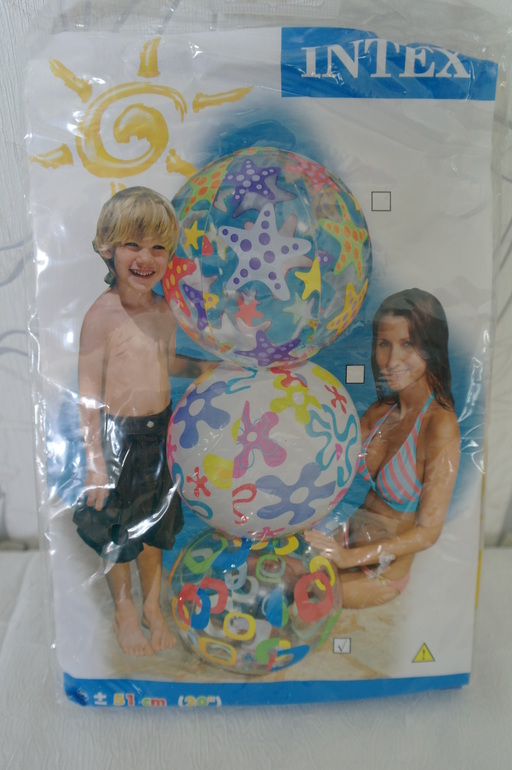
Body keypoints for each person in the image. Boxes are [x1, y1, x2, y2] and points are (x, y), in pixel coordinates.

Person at [73, 186, 213, 656]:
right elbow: (88, 393)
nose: (145, 258)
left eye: (158, 247)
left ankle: (152, 605)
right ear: (106, 247)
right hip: (119, 439)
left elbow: (167, 363)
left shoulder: (162, 308)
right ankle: (125, 608)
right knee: (119, 535)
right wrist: (96, 462)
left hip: (161, 433)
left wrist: (204, 368)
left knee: (154, 530)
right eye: (132, 244)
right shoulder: (101, 316)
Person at [305, 288, 460, 608]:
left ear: (431, 347)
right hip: (344, 542)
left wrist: (348, 558)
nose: (391, 360)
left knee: (309, 596)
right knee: (279, 571)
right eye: (384, 344)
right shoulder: (380, 412)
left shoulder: (440, 425)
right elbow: (329, 465)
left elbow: (428, 532)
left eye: (408, 344)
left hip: (379, 573)